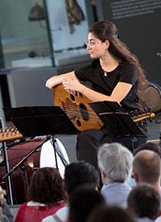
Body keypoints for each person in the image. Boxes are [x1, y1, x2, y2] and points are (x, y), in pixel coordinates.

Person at [46, 20, 149, 168]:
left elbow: (113, 101)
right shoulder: (93, 69)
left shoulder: (128, 69)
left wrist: (81, 89)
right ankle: (92, 185)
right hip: (104, 124)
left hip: (129, 124)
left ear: (106, 44)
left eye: (92, 42)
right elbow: (50, 82)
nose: (88, 47)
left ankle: (106, 185)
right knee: (85, 137)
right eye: (87, 43)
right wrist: (68, 82)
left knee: (105, 148)